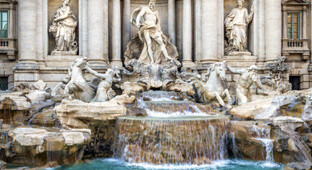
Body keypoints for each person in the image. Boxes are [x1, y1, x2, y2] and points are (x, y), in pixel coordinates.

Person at [131, 0, 173, 64]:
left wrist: (159, 29)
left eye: (153, 2)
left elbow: (158, 21)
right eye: (150, 2)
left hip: (154, 28)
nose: (151, 3)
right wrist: (137, 22)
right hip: (146, 27)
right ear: (148, 2)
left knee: (161, 41)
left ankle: (166, 56)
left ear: (154, 3)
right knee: (149, 44)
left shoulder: (156, 11)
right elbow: (139, 15)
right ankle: (152, 60)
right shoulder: (145, 8)